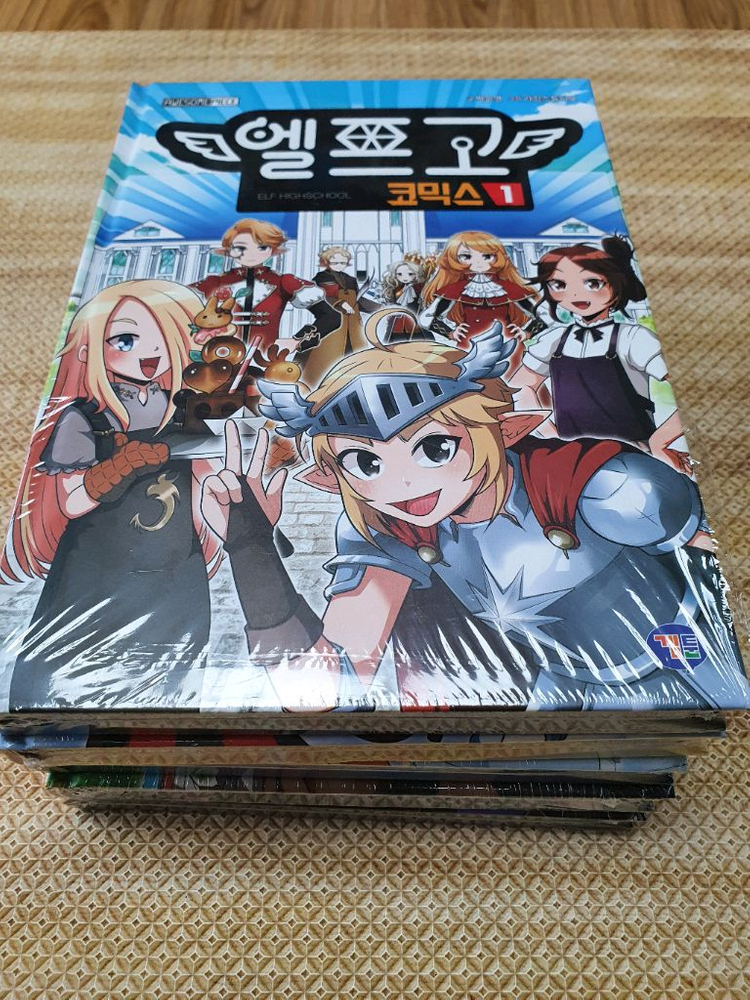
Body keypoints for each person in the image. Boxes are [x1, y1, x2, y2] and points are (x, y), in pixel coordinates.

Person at [204, 322, 742, 714]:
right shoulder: (387, 527)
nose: (401, 485)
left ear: (494, 430)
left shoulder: (607, 488)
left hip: (692, 658)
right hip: (567, 688)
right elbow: (320, 694)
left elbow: (715, 572)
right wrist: (251, 551)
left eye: (434, 447)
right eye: (365, 463)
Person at [2, 280, 225, 709]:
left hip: (176, 572)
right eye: (125, 340)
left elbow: (222, 452)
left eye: (165, 338)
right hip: (99, 570)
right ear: (88, 350)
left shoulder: (183, 405)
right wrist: (120, 466)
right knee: (62, 689)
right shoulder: (83, 417)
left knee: (171, 691)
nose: (150, 353)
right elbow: (71, 501)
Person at [510, 236, 689, 470]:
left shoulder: (633, 338)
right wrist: (549, 433)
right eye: (560, 285)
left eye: (592, 283)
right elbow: (521, 385)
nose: (575, 295)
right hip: (572, 458)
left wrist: (661, 440)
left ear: (616, 282)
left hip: (633, 456)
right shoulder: (554, 339)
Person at [191, 218, 339, 350]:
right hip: (216, 359)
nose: (251, 254)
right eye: (240, 248)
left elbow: (331, 317)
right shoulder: (215, 282)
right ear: (230, 250)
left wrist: (297, 342)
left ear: (272, 249)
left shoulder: (283, 281)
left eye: (262, 247)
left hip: (265, 360)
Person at [418, 230, 540, 368]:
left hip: (509, 346)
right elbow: (425, 318)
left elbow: (544, 315)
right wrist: (449, 332)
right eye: (466, 256)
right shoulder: (454, 290)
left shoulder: (511, 288)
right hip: (469, 348)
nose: (478, 262)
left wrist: (528, 332)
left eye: (486, 256)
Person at [298, 246, 379, 387]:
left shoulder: (350, 279)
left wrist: (379, 308)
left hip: (353, 325)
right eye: (335, 263)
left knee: (355, 355)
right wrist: (340, 303)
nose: (339, 266)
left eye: (343, 263)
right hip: (333, 324)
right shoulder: (321, 278)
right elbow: (322, 298)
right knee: (326, 359)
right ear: (326, 262)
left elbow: (358, 301)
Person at [380, 256, 430, 343]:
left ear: (415, 274)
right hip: (397, 324)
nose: (405, 277)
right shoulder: (396, 289)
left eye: (410, 274)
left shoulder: (418, 288)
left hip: (414, 323)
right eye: (399, 274)